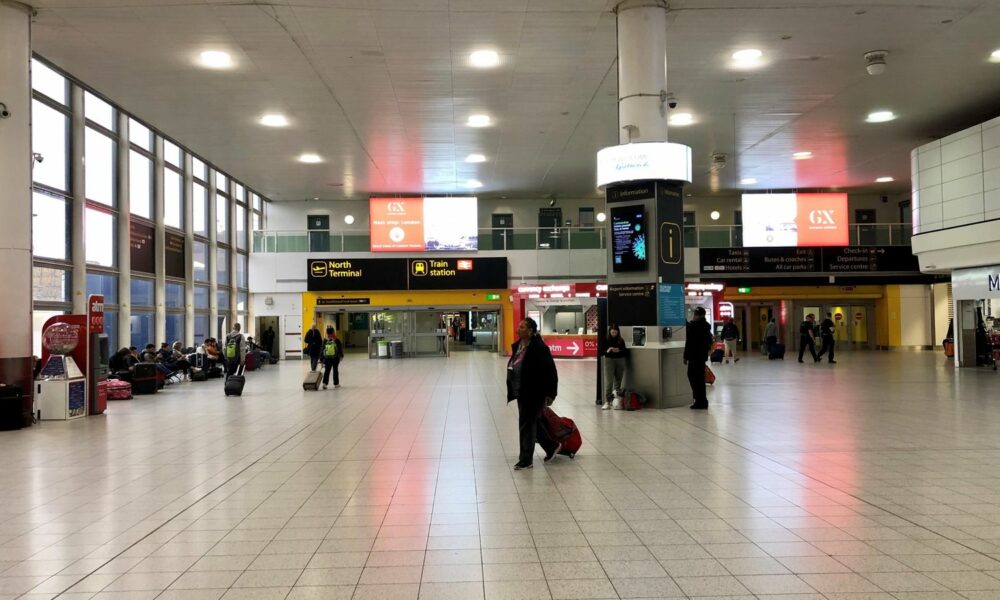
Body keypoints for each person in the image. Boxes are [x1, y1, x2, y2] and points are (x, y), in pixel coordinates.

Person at [506, 317, 560, 470]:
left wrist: (551, 393)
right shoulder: (518, 346)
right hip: (520, 390)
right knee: (532, 421)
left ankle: (526, 459)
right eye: (519, 326)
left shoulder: (539, 348)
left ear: (530, 331)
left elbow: (551, 371)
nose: (518, 329)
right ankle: (551, 446)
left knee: (526, 424)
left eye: (522, 327)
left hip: (535, 391)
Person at [683, 307, 713, 410]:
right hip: (701, 357)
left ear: (700, 316)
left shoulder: (695, 327)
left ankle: (699, 400)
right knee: (699, 379)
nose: (694, 316)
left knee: (694, 377)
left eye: (695, 315)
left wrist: (685, 356)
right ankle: (702, 401)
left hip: (694, 357)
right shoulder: (705, 326)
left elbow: (690, 343)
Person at [601, 324, 628, 410]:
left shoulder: (621, 340)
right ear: (609, 332)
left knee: (618, 381)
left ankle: (615, 401)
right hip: (609, 360)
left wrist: (618, 350)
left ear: (618, 332)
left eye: (615, 332)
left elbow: (625, 352)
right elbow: (601, 351)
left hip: (620, 360)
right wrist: (607, 351)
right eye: (612, 332)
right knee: (609, 382)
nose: (614, 334)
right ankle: (607, 401)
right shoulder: (606, 340)